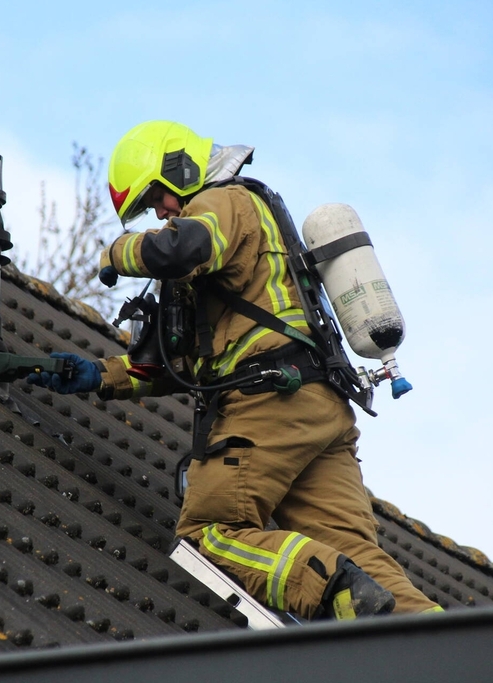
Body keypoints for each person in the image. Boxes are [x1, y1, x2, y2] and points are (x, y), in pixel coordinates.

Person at [29, 120, 440, 620]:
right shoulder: (230, 241)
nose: (158, 213)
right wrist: (101, 375)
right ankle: (447, 648)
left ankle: (334, 588)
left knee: (208, 535)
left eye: (156, 197)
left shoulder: (222, 201)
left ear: (178, 168)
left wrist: (117, 252)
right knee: (362, 558)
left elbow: (179, 247)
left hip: (269, 402)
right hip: (316, 406)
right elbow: (180, 368)